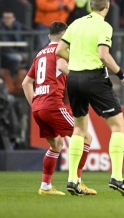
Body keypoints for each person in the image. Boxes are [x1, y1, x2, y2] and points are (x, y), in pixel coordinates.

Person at [56, 0, 124, 197]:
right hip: (94, 78)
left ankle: (73, 179)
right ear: (107, 6)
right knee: (118, 125)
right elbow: (103, 54)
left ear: (90, 5)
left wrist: (76, 62)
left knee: (79, 129)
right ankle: (117, 177)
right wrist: (122, 74)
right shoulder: (104, 26)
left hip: (73, 78)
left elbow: (59, 51)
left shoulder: (76, 23)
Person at [22, 21, 96, 196]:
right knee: (86, 136)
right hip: (53, 105)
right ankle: (77, 182)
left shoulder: (40, 54)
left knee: (57, 145)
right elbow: (63, 66)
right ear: (66, 37)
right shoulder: (61, 51)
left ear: (49, 36)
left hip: (38, 107)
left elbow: (26, 83)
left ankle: (45, 187)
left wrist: (36, 104)